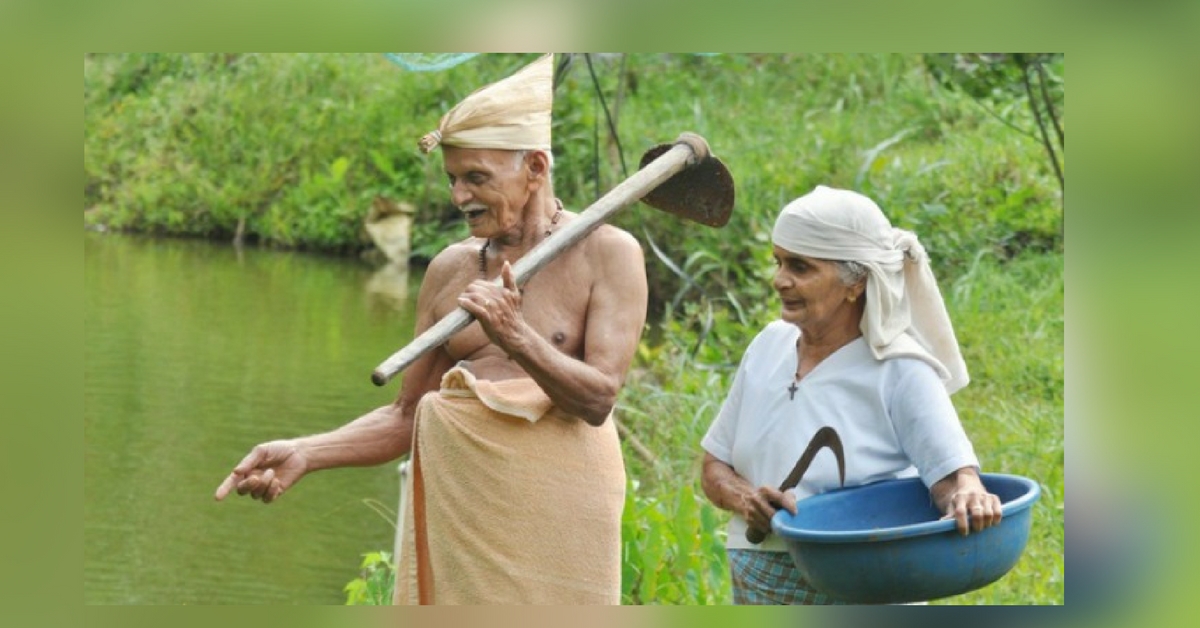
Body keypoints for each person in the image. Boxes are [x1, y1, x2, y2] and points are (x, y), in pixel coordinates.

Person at [213, 53, 648, 605]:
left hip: (561, 506)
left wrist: (516, 335)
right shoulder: (451, 269)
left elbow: (598, 398)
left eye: (476, 178)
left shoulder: (608, 253)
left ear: (536, 167)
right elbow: (406, 412)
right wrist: (308, 450)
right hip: (464, 509)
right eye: (451, 179)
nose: (459, 197)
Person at [699, 185, 1003, 605]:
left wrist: (970, 493)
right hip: (757, 577)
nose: (779, 280)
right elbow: (715, 465)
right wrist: (745, 498)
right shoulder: (769, 345)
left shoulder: (900, 369)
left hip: (859, 582)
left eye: (800, 267)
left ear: (855, 283)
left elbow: (953, 477)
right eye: (779, 262)